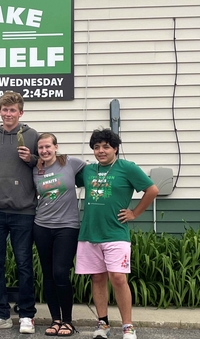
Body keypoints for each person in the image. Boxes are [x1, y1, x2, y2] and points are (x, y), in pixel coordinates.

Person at [75, 128, 159, 339]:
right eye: (96, 147)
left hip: (115, 233)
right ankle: (102, 324)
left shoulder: (126, 167)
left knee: (118, 278)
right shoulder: (88, 170)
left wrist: (135, 213)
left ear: (115, 148)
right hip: (89, 233)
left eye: (105, 147)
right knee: (97, 278)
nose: (100, 151)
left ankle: (128, 326)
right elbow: (65, 175)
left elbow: (152, 190)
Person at [0, 91, 39, 334]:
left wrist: (33, 159)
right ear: (0, 111)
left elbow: (47, 161)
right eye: (4, 110)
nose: (8, 114)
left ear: (20, 112)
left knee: (24, 263)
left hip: (23, 211)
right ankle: (1, 314)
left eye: (12, 110)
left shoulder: (33, 136)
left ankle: (27, 315)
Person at [32, 133, 85, 336]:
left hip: (67, 227)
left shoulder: (70, 162)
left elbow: (93, 174)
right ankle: (55, 319)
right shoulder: (36, 169)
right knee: (48, 274)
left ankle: (68, 321)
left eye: (48, 147)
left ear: (56, 147)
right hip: (42, 226)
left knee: (60, 273)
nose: (44, 151)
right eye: (41, 148)